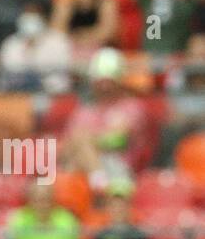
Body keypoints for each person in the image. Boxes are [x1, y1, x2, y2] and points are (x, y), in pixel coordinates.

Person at [63, 48, 150, 186]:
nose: (105, 87)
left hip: (120, 167)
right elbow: (68, 146)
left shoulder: (132, 107)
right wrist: (89, 142)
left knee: (81, 141)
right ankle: (98, 181)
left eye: (109, 82)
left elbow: (119, 140)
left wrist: (88, 140)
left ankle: (98, 181)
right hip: (82, 168)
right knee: (70, 164)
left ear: (120, 81)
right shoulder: (84, 111)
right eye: (100, 82)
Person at [0, 0, 73, 94]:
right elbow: (6, 74)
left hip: (51, 93)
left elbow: (62, 72)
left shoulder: (59, 41)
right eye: (26, 14)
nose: (29, 18)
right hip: (16, 93)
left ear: (43, 18)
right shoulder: (10, 44)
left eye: (34, 14)